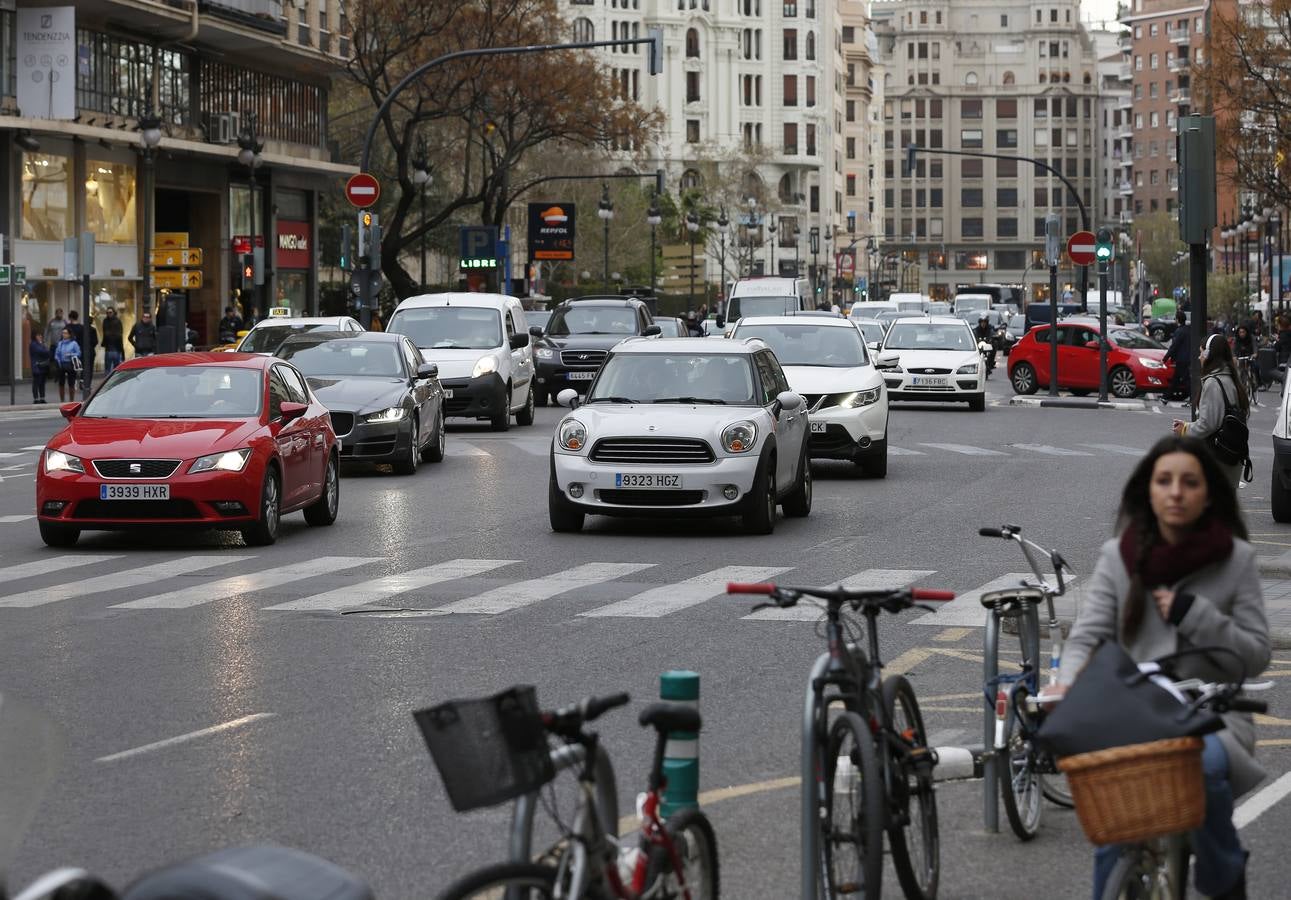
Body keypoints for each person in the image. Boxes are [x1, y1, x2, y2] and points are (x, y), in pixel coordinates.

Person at [1053, 435, 1268, 900]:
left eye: (1189, 482)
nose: (1175, 492)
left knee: (1204, 766)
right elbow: (1088, 634)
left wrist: (1197, 614)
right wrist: (1064, 684)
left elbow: (1255, 654)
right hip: (1133, 709)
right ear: (1148, 492)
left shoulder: (1236, 560)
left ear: (1207, 493)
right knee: (1113, 830)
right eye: (1164, 481)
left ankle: (1222, 876)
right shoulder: (1119, 557)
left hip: (1211, 710)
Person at [1173, 333, 1249, 488]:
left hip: (1216, 460)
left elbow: (1208, 424)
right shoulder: (1232, 378)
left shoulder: (1213, 383)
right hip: (1231, 456)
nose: (1199, 357)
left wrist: (1185, 429)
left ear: (1209, 354)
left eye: (1201, 352)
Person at [1163, 311, 1191, 401]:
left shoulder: (1179, 331)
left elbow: (1174, 346)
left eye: (1175, 318)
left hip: (1181, 359)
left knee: (1185, 381)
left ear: (1178, 320)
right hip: (1187, 358)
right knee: (1176, 379)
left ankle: (1193, 399)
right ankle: (1166, 397)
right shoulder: (1187, 329)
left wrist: (1165, 358)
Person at [52, 327, 81, 403]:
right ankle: (62, 400)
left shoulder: (74, 343)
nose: (64, 335)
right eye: (63, 333)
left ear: (69, 334)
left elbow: (78, 353)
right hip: (61, 364)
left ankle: (71, 400)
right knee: (61, 383)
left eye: (65, 333)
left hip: (70, 364)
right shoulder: (60, 343)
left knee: (71, 382)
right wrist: (57, 359)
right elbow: (56, 353)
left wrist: (70, 354)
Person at [101, 307, 124, 375]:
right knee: (108, 369)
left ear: (114, 313)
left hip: (116, 348)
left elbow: (120, 336)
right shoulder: (105, 321)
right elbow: (104, 333)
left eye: (110, 312)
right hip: (109, 348)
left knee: (115, 369)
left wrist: (122, 351)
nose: (109, 314)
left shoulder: (117, 321)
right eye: (107, 312)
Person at [28, 333, 50, 403]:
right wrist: (43, 346)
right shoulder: (33, 344)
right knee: (36, 383)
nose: (40, 336)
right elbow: (42, 351)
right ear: (34, 336)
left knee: (42, 383)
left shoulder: (41, 344)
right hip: (37, 367)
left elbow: (47, 353)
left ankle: (42, 398)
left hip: (43, 366)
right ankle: (36, 399)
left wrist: (43, 346)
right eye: (38, 335)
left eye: (41, 335)